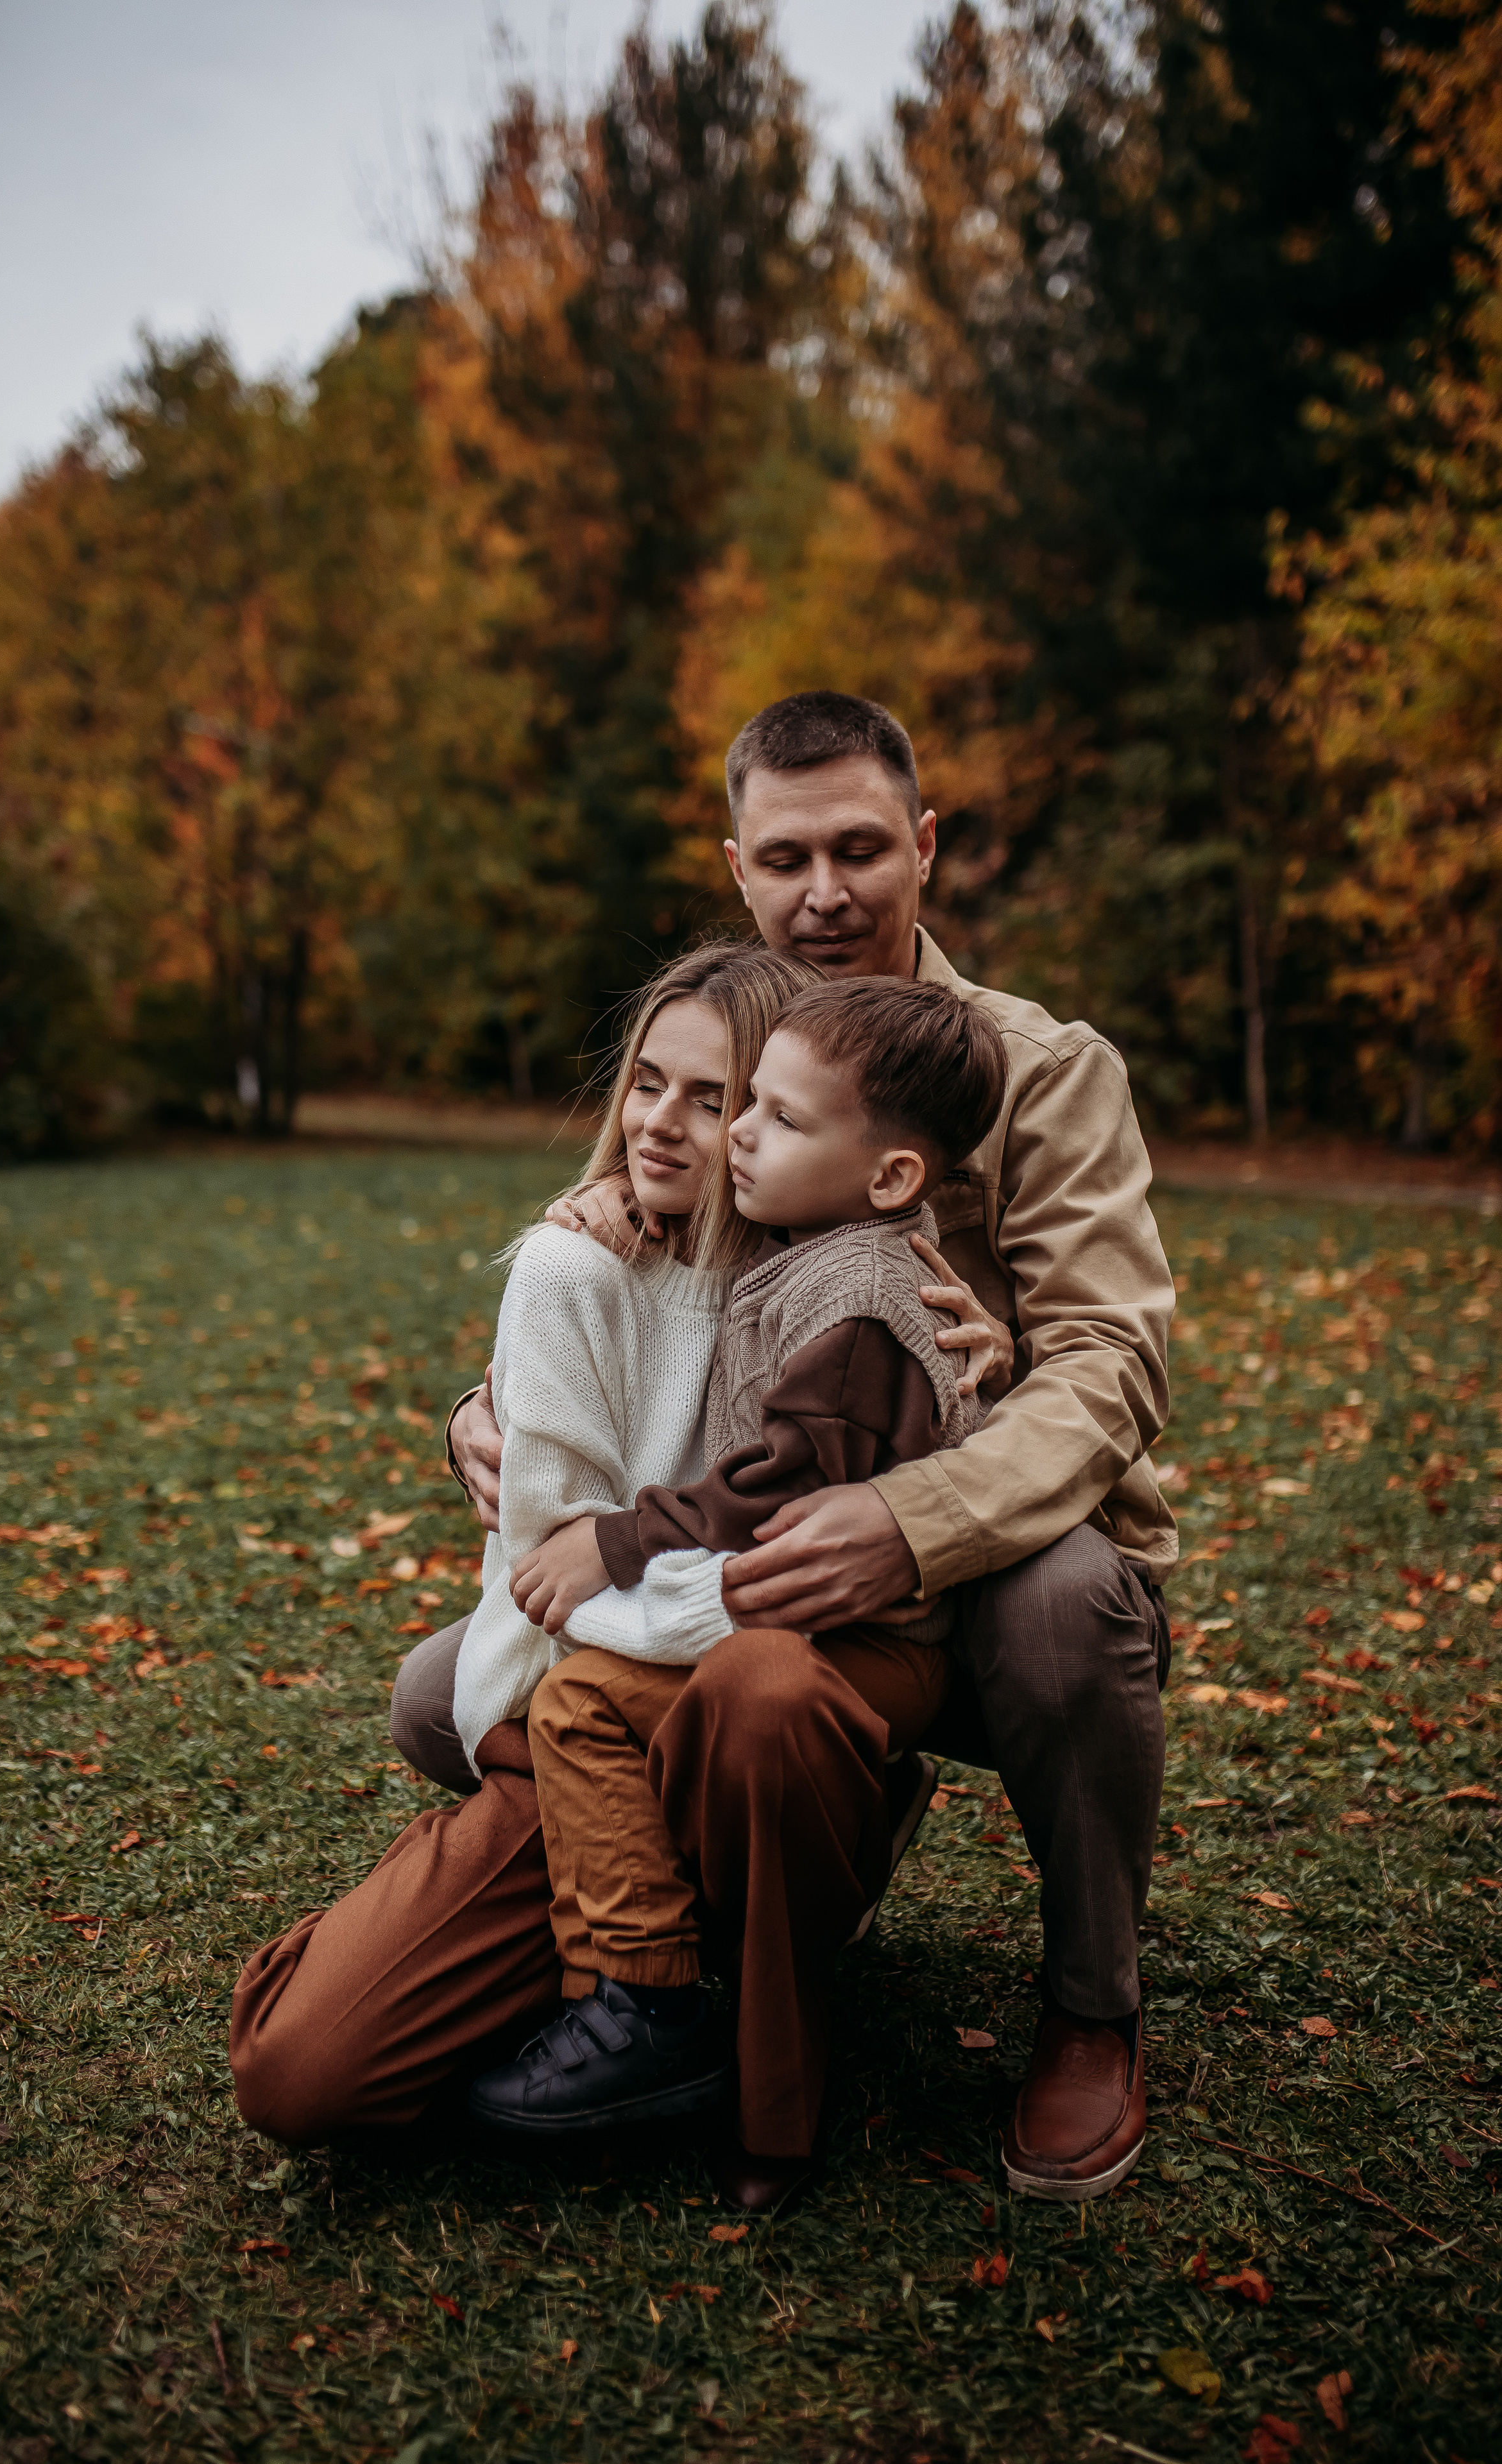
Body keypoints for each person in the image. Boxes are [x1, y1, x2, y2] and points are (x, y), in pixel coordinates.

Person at [423, 689, 1175, 2203]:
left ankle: (1091, 2006)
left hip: (970, 1538)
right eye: (783, 859)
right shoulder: (730, 1051)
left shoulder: (1038, 1064)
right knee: (437, 1694)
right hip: (748, 1534)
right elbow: (621, 1264)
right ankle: (680, 1946)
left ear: (924, 846)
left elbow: (1107, 1361)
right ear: (736, 866)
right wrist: (482, 1412)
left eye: (856, 848)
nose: (821, 893)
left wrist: (913, 1515)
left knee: (1064, 1612)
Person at [230, 932, 978, 2194]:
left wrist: (970, 1375)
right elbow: (554, 1586)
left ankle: (715, 1959)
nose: (672, 1128)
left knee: (767, 1690)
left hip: (731, 1721)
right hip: (579, 1749)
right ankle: (606, 1976)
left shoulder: (825, 1271)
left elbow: (864, 1434)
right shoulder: (577, 1267)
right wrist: (501, 1415)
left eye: (721, 1098)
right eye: (647, 1084)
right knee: (298, 2076)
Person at [466, 975, 1009, 2139]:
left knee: (579, 1710)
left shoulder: (855, 1293)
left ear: (889, 1175)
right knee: (475, 1707)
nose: (713, 1131)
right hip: (785, 1604)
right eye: (727, 1104)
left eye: (749, 1110)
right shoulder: (813, 1250)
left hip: (860, 1622)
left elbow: (776, 1491)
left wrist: (611, 1549)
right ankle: (638, 1978)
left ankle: (640, 1998)